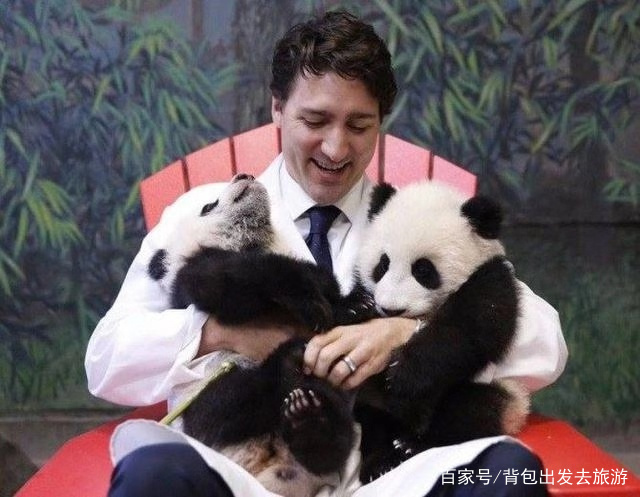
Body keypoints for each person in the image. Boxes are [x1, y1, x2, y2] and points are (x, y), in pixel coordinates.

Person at [86, 10, 567, 497]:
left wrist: (408, 333)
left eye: (360, 125)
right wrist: (218, 333)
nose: (336, 148)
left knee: (509, 472)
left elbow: (545, 343)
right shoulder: (208, 213)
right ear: (276, 108)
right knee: (155, 472)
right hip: (239, 472)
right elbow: (106, 361)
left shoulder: (412, 220)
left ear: (381, 122)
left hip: (387, 476)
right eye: (315, 120)